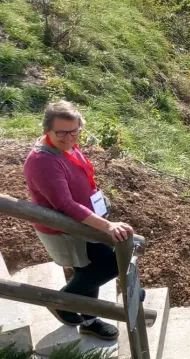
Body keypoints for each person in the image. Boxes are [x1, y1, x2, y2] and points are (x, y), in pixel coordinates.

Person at [22, 101, 135, 340]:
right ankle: (63, 303)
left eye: (74, 131)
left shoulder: (65, 146)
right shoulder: (44, 162)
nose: (69, 137)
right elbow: (65, 205)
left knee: (90, 268)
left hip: (83, 221)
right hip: (65, 228)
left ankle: (88, 319)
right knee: (104, 265)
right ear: (47, 130)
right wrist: (108, 225)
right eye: (61, 132)